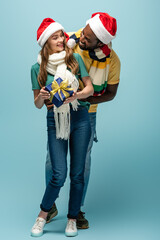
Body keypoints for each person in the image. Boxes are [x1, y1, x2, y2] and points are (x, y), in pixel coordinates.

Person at [46, 12, 121, 229]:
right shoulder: (70, 40)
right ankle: (49, 206)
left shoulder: (112, 61)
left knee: (82, 165)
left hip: (87, 114)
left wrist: (85, 97)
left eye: (88, 39)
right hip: (61, 110)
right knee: (53, 159)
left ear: (101, 42)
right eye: (83, 33)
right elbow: (46, 63)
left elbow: (112, 93)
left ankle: (76, 210)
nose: (82, 39)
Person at [30, 18, 94, 237]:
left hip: (80, 117)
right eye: (55, 37)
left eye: (62, 36)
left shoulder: (74, 58)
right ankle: (42, 216)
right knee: (59, 173)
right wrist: (44, 96)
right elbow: (38, 103)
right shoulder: (36, 68)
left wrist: (76, 95)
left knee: (77, 174)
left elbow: (90, 89)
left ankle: (72, 218)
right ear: (45, 42)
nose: (61, 40)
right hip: (54, 120)